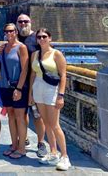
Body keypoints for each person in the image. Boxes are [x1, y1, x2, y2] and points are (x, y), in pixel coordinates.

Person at [29, 28, 71, 171]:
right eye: (39, 37)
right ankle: (53, 152)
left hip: (51, 90)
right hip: (38, 88)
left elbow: (63, 75)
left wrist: (61, 95)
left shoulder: (56, 54)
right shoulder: (35, 54)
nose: (41, 39)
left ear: (50, 38)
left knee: (55, 124)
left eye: (44, 36)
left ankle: (65, 156)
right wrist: (30, 93)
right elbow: (33, 75)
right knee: (46, 123)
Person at [16, 14, 47, 158]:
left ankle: (41, 143)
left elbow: (47, 54)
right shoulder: (14, 38)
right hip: (19, 83)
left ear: (30, 22)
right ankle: (25, 138)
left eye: (25, 21)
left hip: (36, 82)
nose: (23, 24)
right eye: (20, 22)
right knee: (22, 114)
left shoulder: (37, 38)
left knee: (37, 114)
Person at [0, 23, 29, 159]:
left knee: (19, 117)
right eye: (6, 31)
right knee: (11, 116)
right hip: (5, 86)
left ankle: (22, 148)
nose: (8, 33)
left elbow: (25, 70)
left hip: (18, 87)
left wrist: (19, 88)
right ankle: (14, 145)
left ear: (16, 32)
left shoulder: (21, 48)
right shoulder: (3, 48)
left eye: (11, 31)